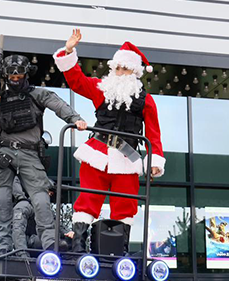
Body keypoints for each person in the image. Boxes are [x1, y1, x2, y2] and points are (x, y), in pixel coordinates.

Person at [53, 29, 166, 253]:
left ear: (134, 72)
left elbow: (153, 132)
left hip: (128, 158)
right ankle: (78, 248)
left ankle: (119, 251)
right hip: (98, 153)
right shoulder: (101, 90)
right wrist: (68, 51)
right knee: (87, 201)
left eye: (125, 68)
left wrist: (155, 160)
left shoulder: (147, 101)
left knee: (126, 206)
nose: (120, 72)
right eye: (117, 68)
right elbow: (77, 81)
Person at [0, 54, 86, 254]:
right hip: (4, 154)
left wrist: (75, 118)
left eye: (19, 76)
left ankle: (50, 244)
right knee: (3, 202)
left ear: (25, 75)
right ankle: (4, 249)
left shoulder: (36, 94)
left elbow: (57, 104)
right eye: (11, 77)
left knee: (41, 201)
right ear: (5, 76)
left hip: (29, 154)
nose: (15, 80)